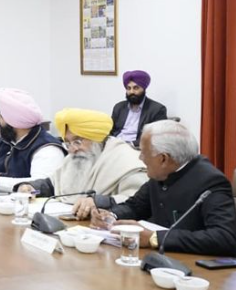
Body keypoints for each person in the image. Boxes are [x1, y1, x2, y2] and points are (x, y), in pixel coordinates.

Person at [91, 120, 236, 256]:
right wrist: (111, 216)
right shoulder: (162, 172)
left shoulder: (211, 182)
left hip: (193, 267)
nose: (140, 158)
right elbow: (135, 206)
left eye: (143, 152)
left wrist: (155, 238)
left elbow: (225, 237)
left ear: (163, 159)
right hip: (156, 259)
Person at [16, 108, 148, 219]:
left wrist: (98, 201)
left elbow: (138, 203)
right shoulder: (76, 157)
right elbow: (53, 184)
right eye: (67, 143)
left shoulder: (126, 161)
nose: (72, 149)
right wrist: (32, 188)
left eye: (78, 141)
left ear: (96, 139)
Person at [0, 88, 66, 193]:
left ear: (14, 121)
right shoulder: (7, 140)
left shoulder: (48, 149)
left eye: (1, 116)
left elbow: (40, 184)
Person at [110, 70, 167, 147]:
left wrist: (131, 144)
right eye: (128, 88)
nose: (131, 92)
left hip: (136, 147)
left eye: (136, 88)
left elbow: (156, 137)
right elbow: (111, 130)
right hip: (115, 144)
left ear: (144, 89)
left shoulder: (157, 109)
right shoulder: (119, 107)